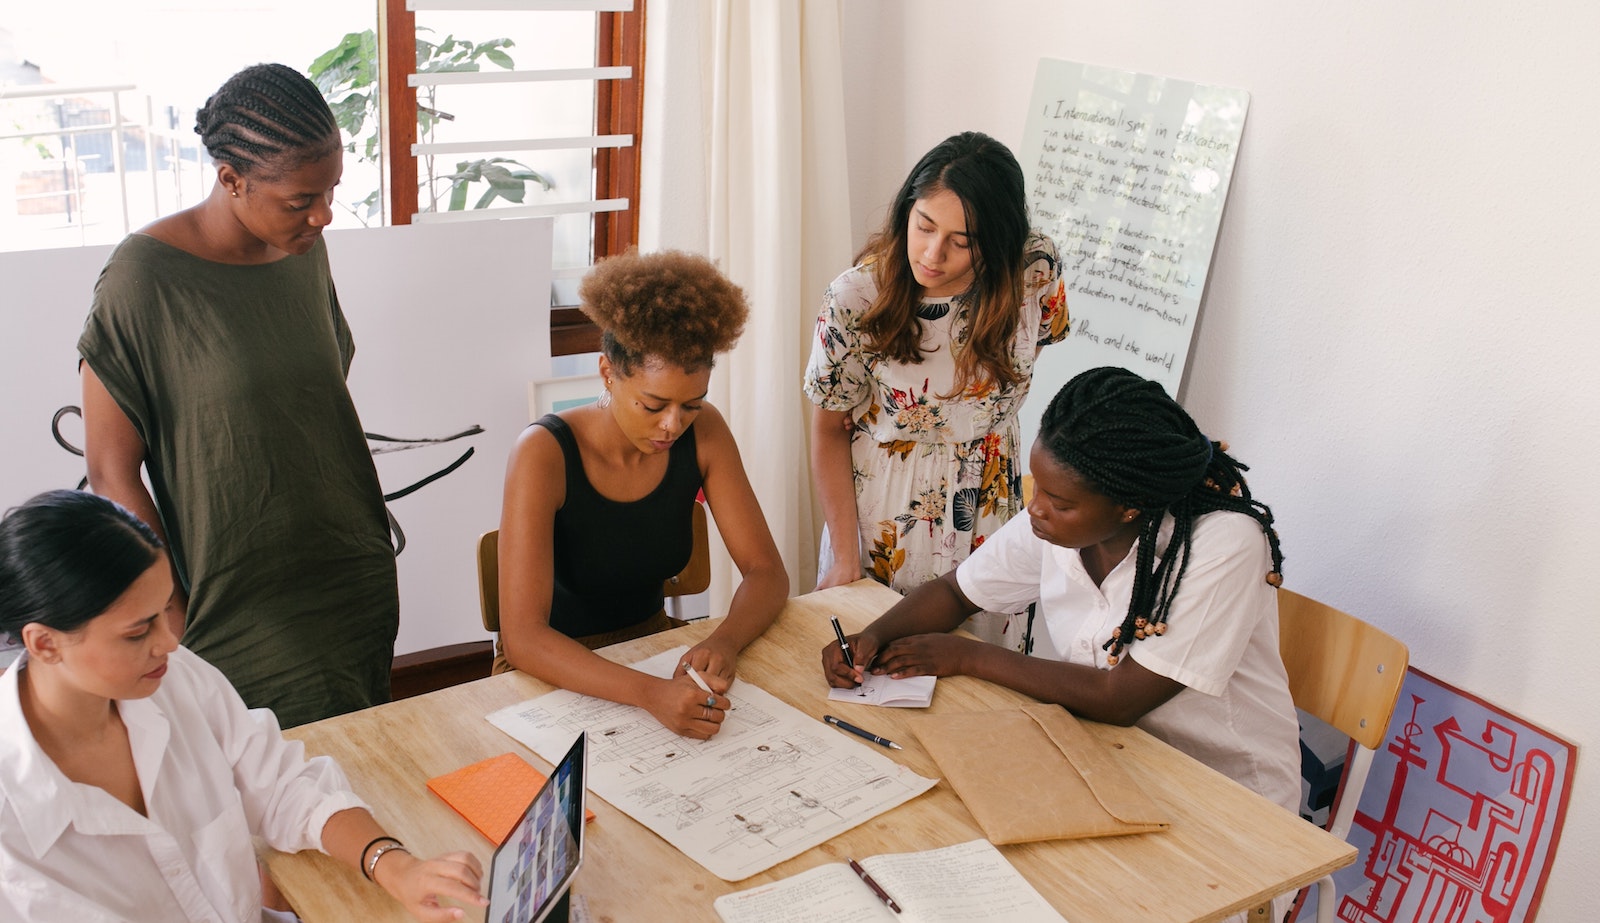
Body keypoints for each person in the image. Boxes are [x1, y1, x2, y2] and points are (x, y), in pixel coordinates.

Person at [822, 366, 1301, 823]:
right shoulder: (1057, 526)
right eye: (1040, 489)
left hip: (1226, 795)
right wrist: (873, 636)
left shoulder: (1224, 544)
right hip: (1112, 758)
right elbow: (955, 592)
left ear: (1129, 506)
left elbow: (1119, 699)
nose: (1036, 508)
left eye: (1060, 502)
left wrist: (966, 657)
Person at [78, 63, 398, 728]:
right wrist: (167, 606)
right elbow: (110, 469)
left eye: (331, 190)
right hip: (237, 598)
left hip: (349, 571)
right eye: (300, 199)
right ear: (232, 179)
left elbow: (312, 397)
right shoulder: (143, 280)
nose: (322, 214)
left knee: (362, 768)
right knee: (269, 791)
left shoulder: (303, 247)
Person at [0, 490, 486, 923]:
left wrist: (396, 867)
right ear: (44, 644)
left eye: (164, 611)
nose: (170, 642)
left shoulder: (172, 679)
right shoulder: (12, 825)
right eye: (137, 631)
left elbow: (280, 785)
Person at [496, 249, 788, 740]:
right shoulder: (543, 452)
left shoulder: (705, 433)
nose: (673, 425)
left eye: (691, 405)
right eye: (654, 405)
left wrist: (725, 641)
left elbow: (766, 572)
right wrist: (650, 694)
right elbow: (524, 639)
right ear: (608, 372)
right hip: (552, 671)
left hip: (652, 649)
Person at [804, 130, 1069, 646]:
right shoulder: (856, 297)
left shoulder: (1034, 269)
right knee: (878, 671)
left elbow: (1028, 356)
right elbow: (827, 428)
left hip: (993, 508)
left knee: (985, 683)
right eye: (923, 226)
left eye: (961, 241)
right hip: (888, 515)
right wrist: (843, 556)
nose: (931, 253)